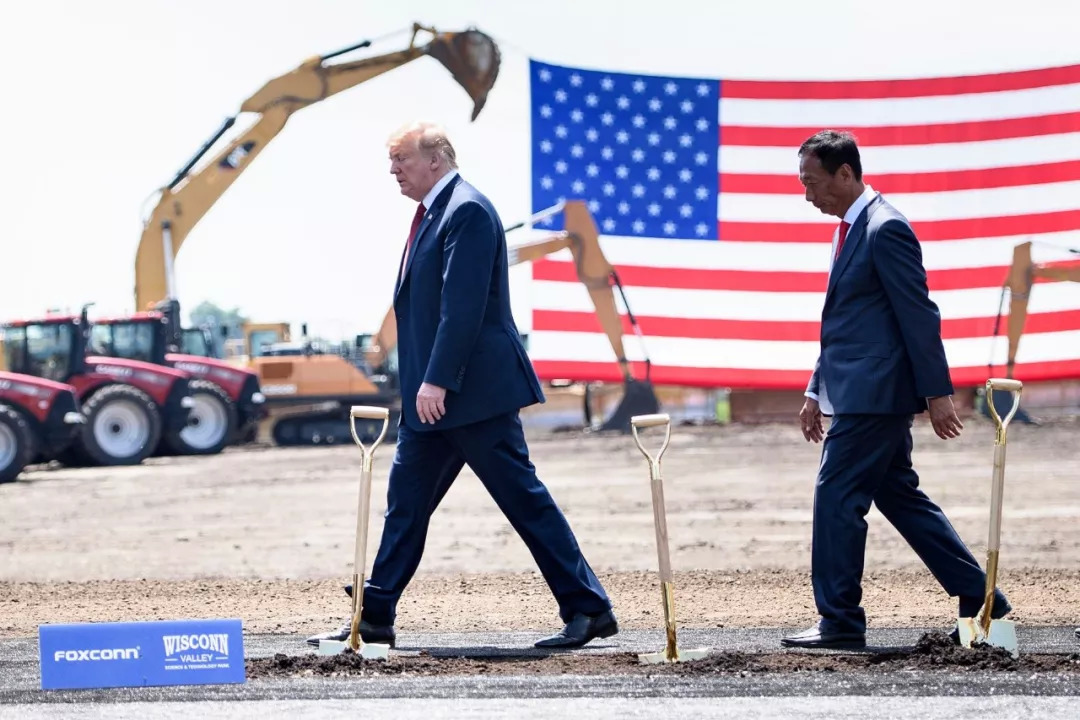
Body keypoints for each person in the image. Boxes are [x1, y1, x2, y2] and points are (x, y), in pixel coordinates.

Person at [306, 121, 617, 650]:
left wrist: (437, 381)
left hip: (471, 395)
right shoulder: (435, 213)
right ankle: (375, 616)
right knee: (405, 504)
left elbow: (463, 307)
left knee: (523, 501)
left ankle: (589, 610)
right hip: (434, 400)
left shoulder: (466, 210)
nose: (393, 170)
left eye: (401, 158)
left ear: (436, 159)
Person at [781, 130, 1011, 649]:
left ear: (845, 173)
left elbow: (918, 314)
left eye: (812, 182)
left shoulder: (885, 229)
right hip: (856, 389)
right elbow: (846, 324)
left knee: (836, 498)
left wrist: (937, 393)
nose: (808, 194)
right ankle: (981, 597)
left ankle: (840, 621)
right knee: (900, 497)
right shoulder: (849, 230)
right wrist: (816, 390)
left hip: (874, 396)